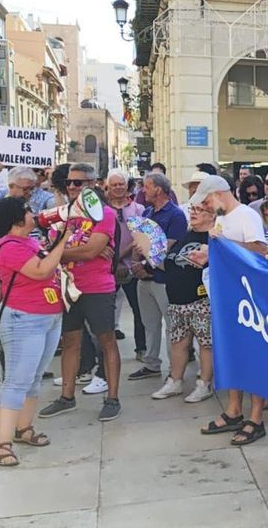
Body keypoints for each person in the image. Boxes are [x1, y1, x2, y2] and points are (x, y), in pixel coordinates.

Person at [0, 197, 70, 467]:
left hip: (48, 317)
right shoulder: (9, 246)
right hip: (24, 319)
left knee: (33, 379)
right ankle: (3, 444)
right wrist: (64, 240)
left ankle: (24, 428)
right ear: (16, 218)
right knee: (17, 381)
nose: (34, 213)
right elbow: (42, 270)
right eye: (27, 210)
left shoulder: (29, 241)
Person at [38, 163, 126, 423]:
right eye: (69, 183)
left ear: (93, 183)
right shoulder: (64, 214)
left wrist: (54, 254)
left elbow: (88, 251)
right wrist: (55, 251)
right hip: (67, 286)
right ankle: (67, 397)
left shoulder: (105, 214)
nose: (73, 187)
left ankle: (112, 398)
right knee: (70, 341)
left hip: (97, 287)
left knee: (106, 340)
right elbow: (46, 237)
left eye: (79, 182)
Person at [189, 175, 268, 443]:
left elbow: (260, 250)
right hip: (227, 296)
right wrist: (208, 255)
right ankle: (234, 409)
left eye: (208, 200)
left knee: (254, 357)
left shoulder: (246, 215)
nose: (207, 207)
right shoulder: (222, 219)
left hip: (248, 298)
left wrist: (222, 244)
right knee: (231, 353)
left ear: (220, 193)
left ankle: (256, 417)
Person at [150, 202, 216, 403]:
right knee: (178, 341)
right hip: (177, 300)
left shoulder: (213, 239)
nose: (193, 213)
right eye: (193, 209)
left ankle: (205, 384)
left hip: (201, 300)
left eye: (199, 210)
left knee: (205, 343)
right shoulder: (185, 236)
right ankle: (175, 381)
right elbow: (167, 263)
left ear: (212, 215)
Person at [127, 172, 188, 382]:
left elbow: (168, 247)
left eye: (147, 186)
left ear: (158, 189)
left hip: (163, 279)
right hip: (145, 279)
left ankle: (175, 371)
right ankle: (151, 364)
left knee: (172, 327)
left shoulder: (176, 215)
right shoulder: (148, 212)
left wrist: (143, 264)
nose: (143, 190)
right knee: (150, 324)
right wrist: (136, 263)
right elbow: (139, 241)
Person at [104, 169, 147, 383]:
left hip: (132, 267)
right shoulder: (101, 211)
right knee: (105, 312)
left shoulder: (138, 209)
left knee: (139, 310)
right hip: (107, 268)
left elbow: (141, 235)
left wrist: (123, 258)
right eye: (114, 185)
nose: (118, 188)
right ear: (107, 188)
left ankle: (142, 348)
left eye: (121, 184)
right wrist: (115, 261)